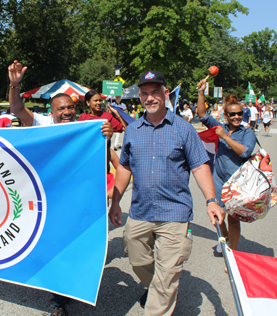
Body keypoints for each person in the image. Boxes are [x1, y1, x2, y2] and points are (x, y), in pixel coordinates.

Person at [109, 71, 224, 316]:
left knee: (166, 276)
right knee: (138, 259)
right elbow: (124, 167)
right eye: (145, 94)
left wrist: (211, 200)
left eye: (155, 93)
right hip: (140, 212)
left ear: (165, 93)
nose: (150, 98)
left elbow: (199, 166)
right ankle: (161, 286)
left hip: (175, 213)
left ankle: (160, 295)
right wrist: (116, 202)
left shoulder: (183, 129)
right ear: (139, 96)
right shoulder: (133, 130)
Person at [9, 60, 113, 316]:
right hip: (48, 199)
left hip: (79, 200)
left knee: (76, 244)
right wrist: (14, 85)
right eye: (60, 109)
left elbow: (110, 162)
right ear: (51, 112)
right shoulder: (42, 124)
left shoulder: (89, 127)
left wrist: (106, 137)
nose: (66, 112)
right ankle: (58, 297)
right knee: (54, 245)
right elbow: (16, 107)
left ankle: (72, 289)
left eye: (69, 107)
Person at [197, 80, 256, 252]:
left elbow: (244, 152)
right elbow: (202, 115)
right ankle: (225, 240)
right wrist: (201, 92)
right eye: (233, 114)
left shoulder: (247, 132)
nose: (237, 117)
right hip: (217, 179)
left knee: (233, 219)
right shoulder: (219, 127)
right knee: (218, 215)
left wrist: (225, 137)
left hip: (236, 181)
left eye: (239, 113)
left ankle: (233, 253)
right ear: (226, 115)